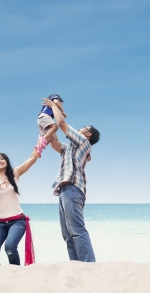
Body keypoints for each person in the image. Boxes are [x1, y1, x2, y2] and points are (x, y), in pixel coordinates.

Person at [42, 98, 100, 262]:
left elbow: (62, 124)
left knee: (76, 229)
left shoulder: (83, 142)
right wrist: (47, 123)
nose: (79, 128)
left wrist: (55, 106)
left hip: (73, 188)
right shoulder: (69, 149)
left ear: (87, 134)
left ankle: (88, 264)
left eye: (83, 128)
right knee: (67, 233)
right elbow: (53, 142)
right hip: (64, 190)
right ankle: (75, 265)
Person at [0, 150, 40, 266]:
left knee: (10, 247)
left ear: (6, 161)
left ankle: (16, 274)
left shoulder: (14, 173)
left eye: (1, 158)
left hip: (17, 221)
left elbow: (32, 159)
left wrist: (41, 143)